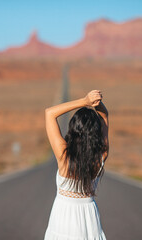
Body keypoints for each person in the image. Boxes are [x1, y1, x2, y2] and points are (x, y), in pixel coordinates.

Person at [44, 89, 109, 240]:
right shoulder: (101, 155)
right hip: (89, 220)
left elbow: (50, 113)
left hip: (63, 218)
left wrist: (85, 101)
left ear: (74, 129)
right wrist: (97, 104)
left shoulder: (64, 155)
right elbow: (104, 116)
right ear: (96, 133)